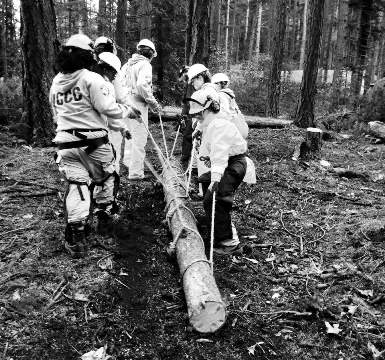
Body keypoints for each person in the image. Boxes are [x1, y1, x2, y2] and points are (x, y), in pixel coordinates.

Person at [50, 34, 140, 258]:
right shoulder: (92, 79)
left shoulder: (56, 82)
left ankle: (77, 236)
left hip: (65, 146)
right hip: (95, 143)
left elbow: (56, 115)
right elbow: (109, 109)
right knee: (107, 177)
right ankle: (103, 216)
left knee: (77, 185)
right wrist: (128, 112)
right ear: (88, 55)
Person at [187, 85, 248, 255]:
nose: (198, 117)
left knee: (216, 197)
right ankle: (218, 226)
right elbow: (207, 133)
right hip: (227, 162)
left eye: (200, 114)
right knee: (207, 189)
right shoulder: (211, 121)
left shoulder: (219, 124)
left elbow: (220, 153)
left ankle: (228, 242)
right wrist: (198, 131)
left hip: (233, 164)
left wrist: (215, 178)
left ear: (209, 108)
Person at [120, 39, 162, 180]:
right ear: (150, 54)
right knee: (139, 139)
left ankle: (128, 164)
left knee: (129, 136)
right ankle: (136, 173)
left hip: (125, 105)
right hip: (137, 105)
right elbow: (142, 85)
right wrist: (153, 103)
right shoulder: (145, 65)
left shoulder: (126, 65)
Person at [211, 72, 249, 139]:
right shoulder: (229, 94)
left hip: (231, 126)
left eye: (214, 84)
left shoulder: (221, 95)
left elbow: (225, 112)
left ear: (219, 84)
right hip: (238, 124)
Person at [177, 66, 195, 168]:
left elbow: (190, 101)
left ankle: (185, 158)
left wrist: (186, 115)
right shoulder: (189, 84)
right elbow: (186, 101)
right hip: (188, 112)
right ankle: (186, 156)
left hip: (193, 113)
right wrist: (183, 115)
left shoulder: (192, 83)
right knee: (186, 133)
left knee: (188, 135)